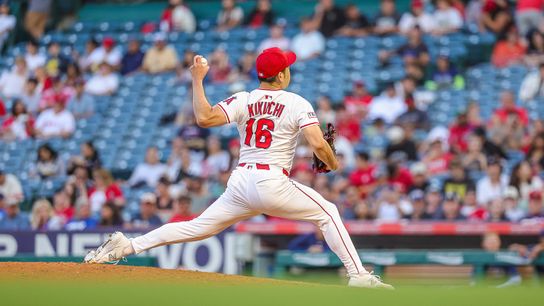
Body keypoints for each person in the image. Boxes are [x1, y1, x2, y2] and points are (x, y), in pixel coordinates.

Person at [85, 47, 393, 289]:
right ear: (282, 76)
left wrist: (197, 79)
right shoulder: (297, 102)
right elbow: (316, 141)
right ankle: (358, 276)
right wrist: (333, 161)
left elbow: (204, 118)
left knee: (195, 227)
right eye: (287, 67)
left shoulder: (244, 98)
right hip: (272, 182)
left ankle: (128, 245)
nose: (289, 70)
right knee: (328, 213)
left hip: (241, 181)